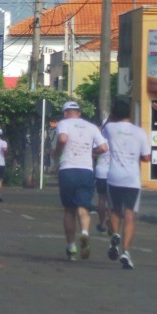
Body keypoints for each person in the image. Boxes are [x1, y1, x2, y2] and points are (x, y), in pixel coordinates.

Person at [52, 101, 108, 261]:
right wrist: (91, 152)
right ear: (79, 113)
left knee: (69, 210)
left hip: (68, 170)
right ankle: (84, 233)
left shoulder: (63, 123)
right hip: (86, 171)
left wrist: (57, 152)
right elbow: (104, 148)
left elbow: (62, 139)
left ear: (65, 113)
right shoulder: (91, 127)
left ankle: (71, 247)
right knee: (83, 207)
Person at [103, 99, 152, 270]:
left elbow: (101, 139)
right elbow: (146, 158)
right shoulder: (139, 132)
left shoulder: (110, 128)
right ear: (130, 113)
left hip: (114, 177)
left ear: (114, 114)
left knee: (115, 210)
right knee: (130, 215)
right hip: (132, 179)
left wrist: (110, 118)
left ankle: (115, 234)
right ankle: (126, 252)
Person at [93, 120, 111, 233]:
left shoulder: (99, 139)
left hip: (101, 172)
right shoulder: (118, 138)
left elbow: (93, 153)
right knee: (113, 201)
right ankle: (112, 220)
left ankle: (103, 224)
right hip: (115, 173)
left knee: (101, 199)